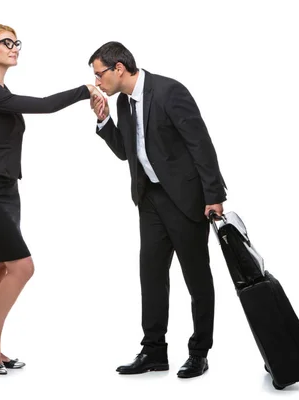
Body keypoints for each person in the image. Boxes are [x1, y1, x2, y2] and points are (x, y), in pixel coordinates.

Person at [0, 23, 104, 375]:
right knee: (23, 267)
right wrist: (84, 90)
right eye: (5, 42)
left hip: (7, 189)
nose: (14, 47)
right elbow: (42, 105)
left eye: (16, 42)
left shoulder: (0, 91)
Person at [89, 41, 227, 378]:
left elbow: (200, 142)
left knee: (197, 278)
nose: (97, 81)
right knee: (150, 275)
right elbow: (127, 151)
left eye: (99, 74)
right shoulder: (122, 102)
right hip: (149, 199)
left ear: (118, 68)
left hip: (185, 199)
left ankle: (199, 352)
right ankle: (154, 351)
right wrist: (105, 121)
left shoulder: (169, 91)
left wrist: (213, 194)